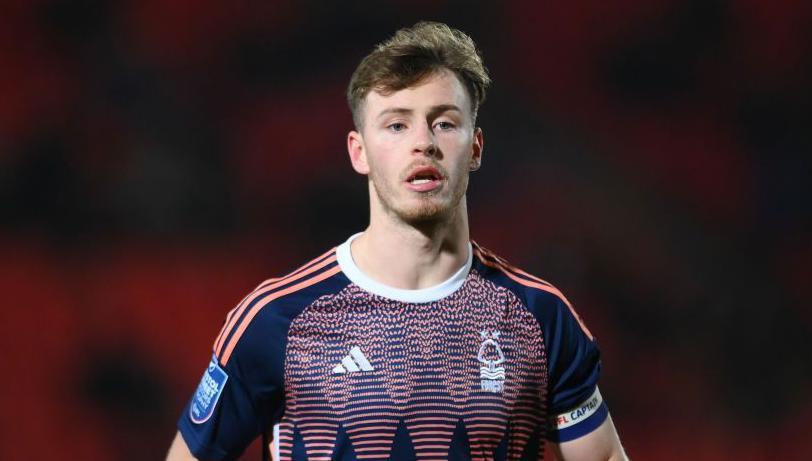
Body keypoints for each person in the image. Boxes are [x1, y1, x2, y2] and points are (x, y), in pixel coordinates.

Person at [166, 21, 628, 461]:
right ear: (359, 152)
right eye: (396, 125)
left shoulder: (540, 316)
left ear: (477, 147)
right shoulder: (276, 320)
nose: (423, 142)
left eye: (444, 123)